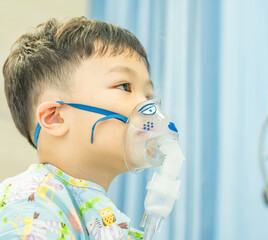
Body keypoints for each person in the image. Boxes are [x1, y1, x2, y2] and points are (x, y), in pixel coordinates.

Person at [0, 16, 154, 239]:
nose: (147, 107)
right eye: (124, 86)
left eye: (149, 96)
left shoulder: (101, 215)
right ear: (55, 118)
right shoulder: (32, 202)